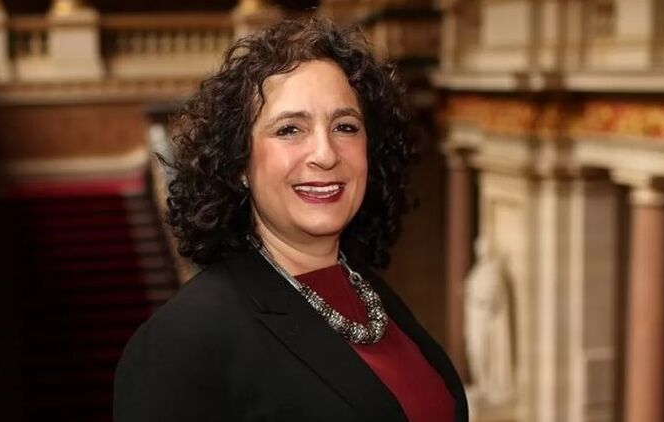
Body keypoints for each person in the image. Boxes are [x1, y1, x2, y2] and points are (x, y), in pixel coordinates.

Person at [114, 17, 468, 422]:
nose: (325, 154)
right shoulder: (181, 342)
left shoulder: (374, 297)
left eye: (345, 127)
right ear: (238, 163)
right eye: (289, 130)